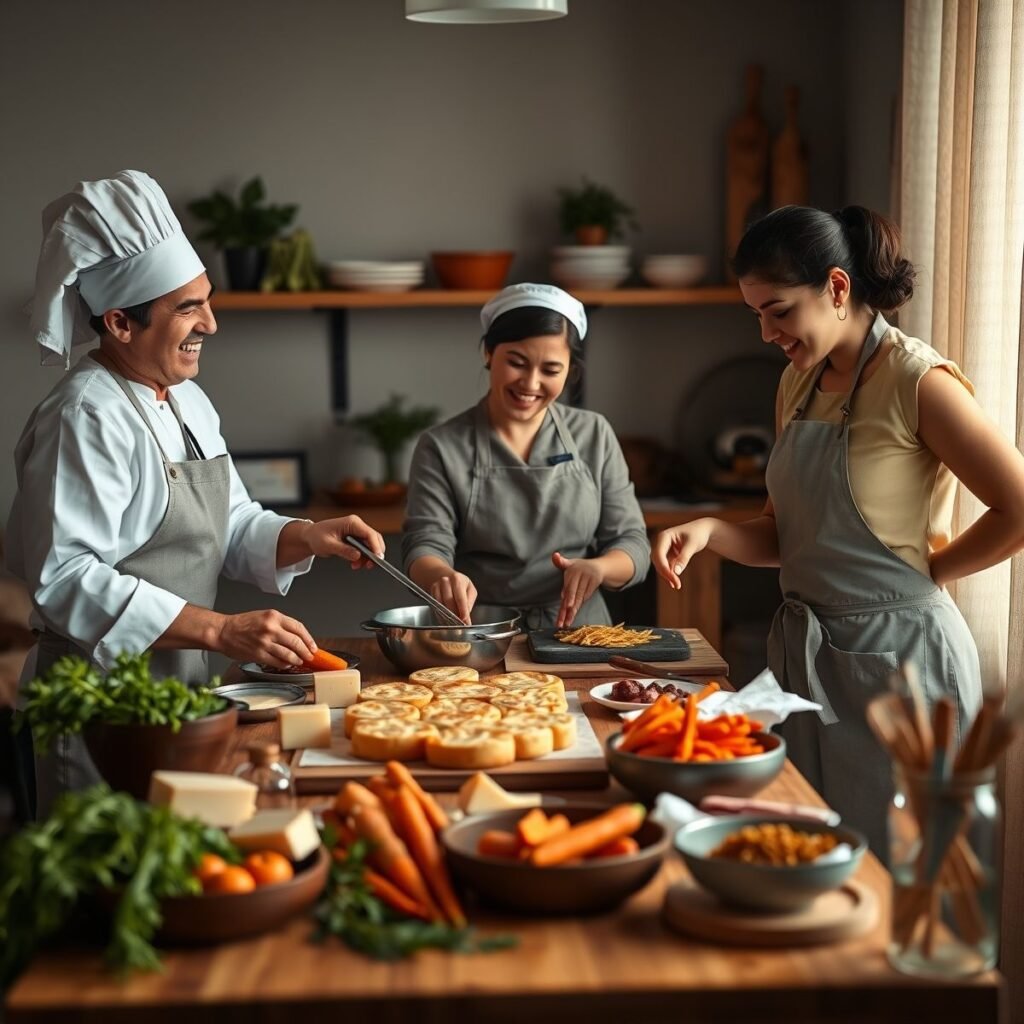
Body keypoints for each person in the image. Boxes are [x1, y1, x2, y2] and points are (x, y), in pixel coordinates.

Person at [6, 170, 385, 817]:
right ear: (121, 322)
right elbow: (62, 578)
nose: (210, 322)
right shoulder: (83, 416)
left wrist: (305, 534)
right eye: (188, 307)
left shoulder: (185, 398)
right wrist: (221, 629)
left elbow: (228, 521)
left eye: (206, 301)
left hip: (177, 693)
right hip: (98, 705)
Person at [652, 205, 1024, 854]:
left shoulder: (919, 382)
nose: (768, 333)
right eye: (757, 316)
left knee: (910, 889)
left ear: (837, 288)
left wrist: (930, 573)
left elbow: (1018, 508)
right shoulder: (797, 383)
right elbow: (785, 536)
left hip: (907, 672)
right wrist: (710, 530)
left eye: (780, 311)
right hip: (810, 668)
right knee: (812, 860)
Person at [401, 283, 650, 630]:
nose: (530, 384)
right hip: (482, 631)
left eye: (550, 370)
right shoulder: (441, 446)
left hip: (580, 634)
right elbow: (424, 543)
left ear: (569, 371)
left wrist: (599, 568)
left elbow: (632, 542)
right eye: (517, 363)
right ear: (489, 352)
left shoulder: (594, 434)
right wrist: (442, 576)